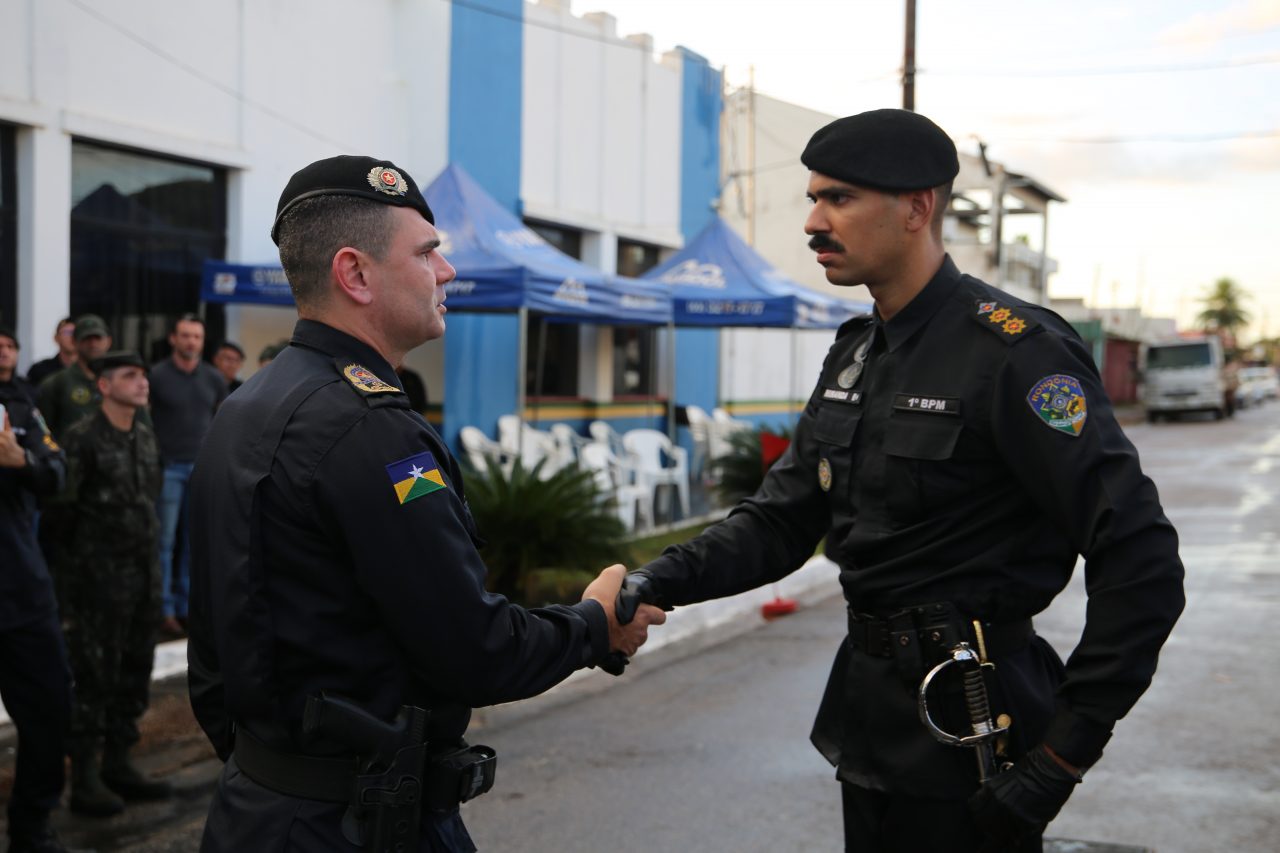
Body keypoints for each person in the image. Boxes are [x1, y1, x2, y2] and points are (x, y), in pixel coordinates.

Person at [620, 110, 1185, 852]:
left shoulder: (1017, 353)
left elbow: (1140, 556)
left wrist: (1063, 755)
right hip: (871, 724)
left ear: (917, 208)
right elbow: (782, 518)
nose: (814, 222)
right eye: (814, 199)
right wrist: (653, 580)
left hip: (977, 730)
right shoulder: (857, 353)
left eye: (840, 199)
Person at [186, 155, 665, 853]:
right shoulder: (369, 428)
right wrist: (593, 626)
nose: (446, 271)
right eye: (427, 253)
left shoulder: (245, 406)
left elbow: (211, 646)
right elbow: (472, 649)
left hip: (256, 807)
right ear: (355, 274)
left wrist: (273, 769)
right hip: (358, 821)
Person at [46, 351, 173, 818]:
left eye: (143, 375)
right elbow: (58, 517)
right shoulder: (81, 439)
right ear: (104, 386)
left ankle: (118, 764)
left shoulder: (145, 435)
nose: (142, 383)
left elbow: (150, 499)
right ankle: (84, 779)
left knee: (134, 673)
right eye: (129, 376)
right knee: (93, 681)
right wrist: (69, 588)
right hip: (94, 584)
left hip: (142, 579)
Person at [0, 327, 81, 853]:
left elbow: (57, 470)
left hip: (19, 588)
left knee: (51, 710)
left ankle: (32, 829)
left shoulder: (20, 408)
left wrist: (20, 461)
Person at [148, 315, 227, 639]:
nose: (191, 341)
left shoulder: (213, 378)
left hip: (201, 469)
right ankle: (164, 611)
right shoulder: (156, 376)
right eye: (185, 335)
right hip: (167, 468)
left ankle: (186, 608)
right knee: (164, 543)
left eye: (196, 336)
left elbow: (222, 421)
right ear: (173, 339)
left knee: (195, 543)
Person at [34, 314, 113, 441]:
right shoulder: (56, 383)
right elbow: (41, 432)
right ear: (74, 342)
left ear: (109, 341)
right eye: (86, 339)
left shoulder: (120, 382)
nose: (93, 344)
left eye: (98, 338)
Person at [24, 318, 77, 389]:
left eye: (75, 333)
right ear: (56, 338)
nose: (72, 337)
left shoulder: (89, 369)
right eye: (67, 332)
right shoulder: (40, 370)